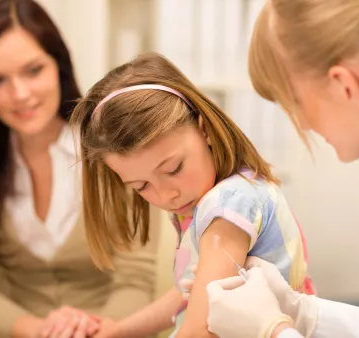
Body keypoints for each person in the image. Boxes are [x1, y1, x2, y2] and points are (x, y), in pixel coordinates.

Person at [205, 0, 359, 337]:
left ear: (344, 86)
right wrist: (306, 314)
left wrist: (273, 331)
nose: (304, 124)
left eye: (295, 102)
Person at [0, 1, 158, 337]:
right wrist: (42, 331)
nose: (19, 94)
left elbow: (136, 280)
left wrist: (93, 332)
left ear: (59, 66)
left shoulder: (118, 149)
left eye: (33, 70)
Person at [70, 52, 315, 338]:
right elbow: (187, 295)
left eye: (173, 169)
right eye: (141, 186)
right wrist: (118, 330)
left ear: (205, 130)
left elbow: (202, 326)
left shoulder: (228, 205)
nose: (167, 196)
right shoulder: (215, 200)